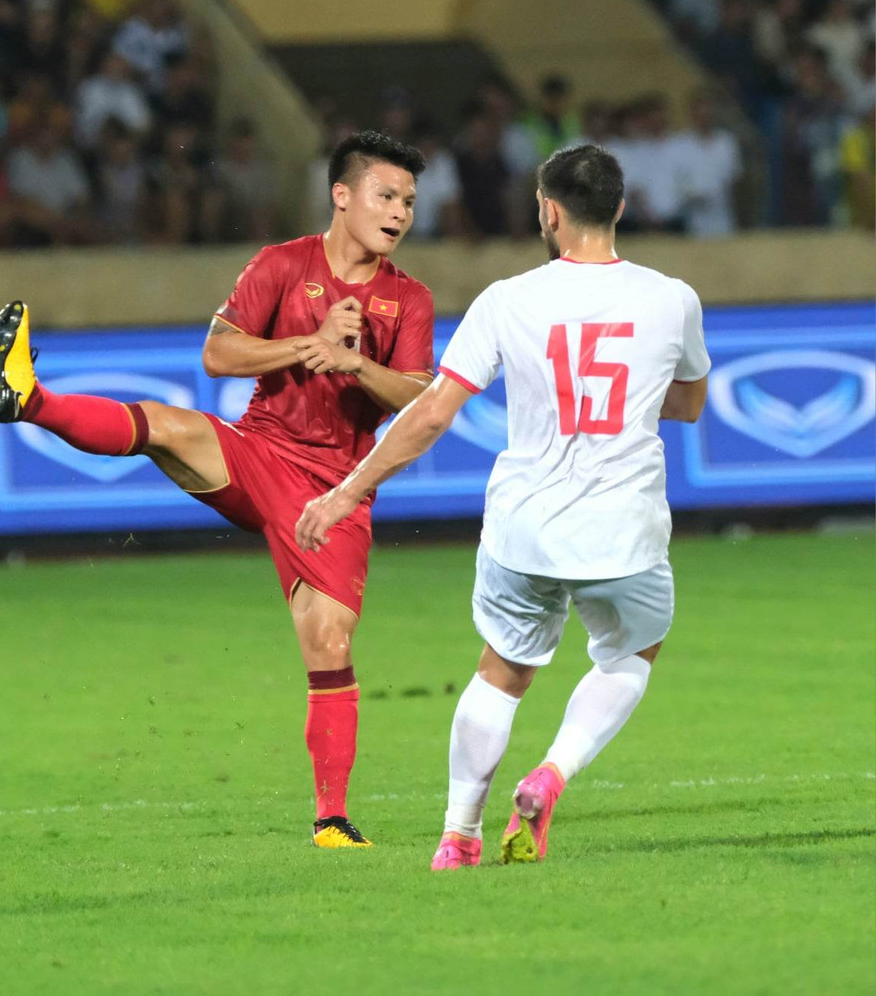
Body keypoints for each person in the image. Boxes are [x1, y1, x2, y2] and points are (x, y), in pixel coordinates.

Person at [0, 131, 435, 847]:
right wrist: (305, 345)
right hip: (257, 454)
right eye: (386, 195)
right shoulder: (281, 264)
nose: (400, 211)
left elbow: (414, 394)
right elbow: (218, 353)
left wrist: (348, 363)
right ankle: (26, 398)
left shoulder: (408, 299)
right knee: (170, 425)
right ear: (341, 195)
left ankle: (332, 821)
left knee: (329, 641)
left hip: (334, 489)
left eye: (409, 200)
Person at [296, 145, 710, 869]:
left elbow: (428, 415)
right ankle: (551, 773)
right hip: (625, 528)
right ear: (618, 207)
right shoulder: (672, 298)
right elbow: (690, 402)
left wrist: (346, 490)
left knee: (502, 672)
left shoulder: (507, 300)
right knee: (632, 653)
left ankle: (459, 835)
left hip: (526, 530)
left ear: (548, 211)